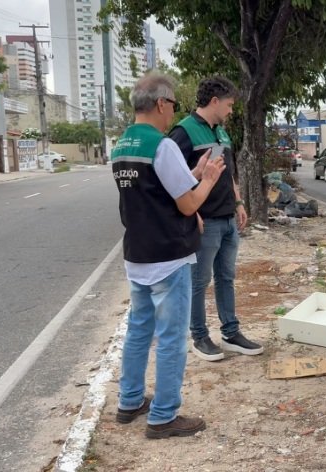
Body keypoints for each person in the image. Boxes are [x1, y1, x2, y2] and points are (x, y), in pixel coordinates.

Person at [112, 72, 226, 438]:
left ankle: (130, 401)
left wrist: (192, 172)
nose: (173, 113)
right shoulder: (161, 145)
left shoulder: (122, 145)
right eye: (173, 105)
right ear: (161, 103)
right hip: (168, 255)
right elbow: (188, 203)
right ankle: (163, 416)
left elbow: (154, 190)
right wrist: (207, 180)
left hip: (138, 253)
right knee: (172, 338)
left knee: (139, 330)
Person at [168, 76, 264, 361]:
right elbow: (172, 179)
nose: (231, 110)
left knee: (226, 278)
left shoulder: (221, 132)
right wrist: (193, 211)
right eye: (229, 104)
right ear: (214, 101)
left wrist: (239, 202)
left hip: (228, 219)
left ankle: (231, 333)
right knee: (199, 281)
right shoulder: (183, 132)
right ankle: (199, 337)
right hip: (204, 221)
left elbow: (228, 172)